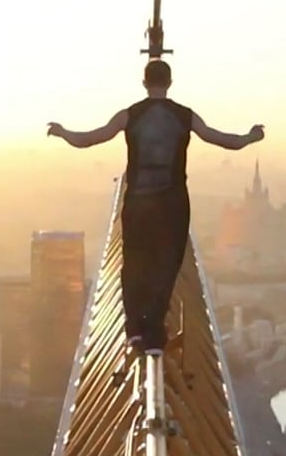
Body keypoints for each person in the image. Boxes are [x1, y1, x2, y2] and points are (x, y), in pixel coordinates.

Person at [46, 60, 264, 356]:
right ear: (170, 82)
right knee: (165, 267)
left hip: (138, 201)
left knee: (135, 265)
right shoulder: (185, 116)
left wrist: (62, 132)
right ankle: (154, 334)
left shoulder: (130, 115)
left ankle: (134, 330)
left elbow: (89, 139)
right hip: (172, 204)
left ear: (144, 83)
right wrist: (251, 137)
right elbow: (224, 140)